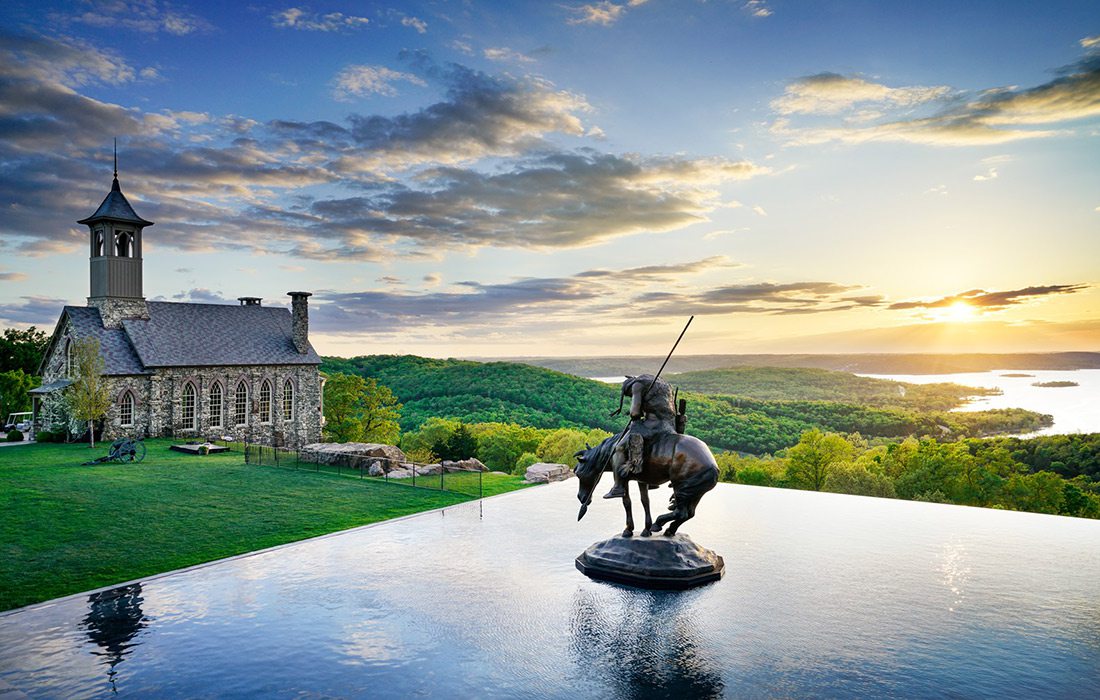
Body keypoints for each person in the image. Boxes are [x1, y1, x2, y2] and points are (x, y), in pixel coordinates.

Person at [603, 374, 677, 499]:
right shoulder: (662, 384)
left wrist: (633, 414)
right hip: (669, 425)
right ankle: (650, 480)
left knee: (619, 447)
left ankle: (618, 487)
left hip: (653, 425)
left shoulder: (637, 385)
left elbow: (635, 413)